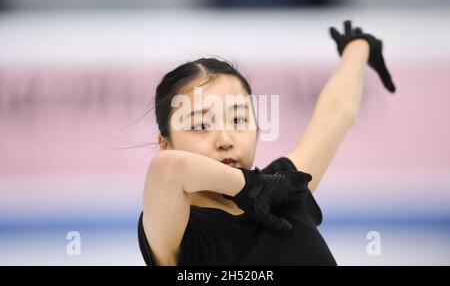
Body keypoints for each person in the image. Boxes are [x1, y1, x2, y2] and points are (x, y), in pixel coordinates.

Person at [137, 20, 396, 266]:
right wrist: (253, 187)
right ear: (165, 143)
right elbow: (168, 169)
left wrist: (358, 46)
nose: (225, 140)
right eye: (201, 126)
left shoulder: (283, 190)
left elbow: (335, 112)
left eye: (238, 120)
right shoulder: (175, 227)